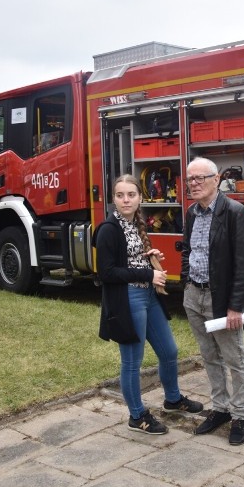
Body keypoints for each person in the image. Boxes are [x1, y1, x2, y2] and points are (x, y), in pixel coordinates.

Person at [93, 174, 203, 435]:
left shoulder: (135, 225)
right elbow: (106, 273)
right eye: (120, 195)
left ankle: (173, 399)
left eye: (131, 194)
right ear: (114, 199)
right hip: (128, 299)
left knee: (169, 351)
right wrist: (146, 273)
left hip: (149, 296)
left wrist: (149, 258)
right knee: (132, 361)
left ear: (140, 198)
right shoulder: (108, 230)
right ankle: (137, 416)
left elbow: (129, 260)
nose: (126, 200)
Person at [181, 157, 244, 446]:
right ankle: (220, 409)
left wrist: (235, 306)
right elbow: (188, 249)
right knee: (209, 356)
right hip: (193, 296)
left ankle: (241, 416)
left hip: (220, 299)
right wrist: (186, 281)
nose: (194, 183)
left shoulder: (235, 212)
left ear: (217, 179)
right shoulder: (191, 212)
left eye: (201, 178)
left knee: (235, 359)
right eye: (190, 179)